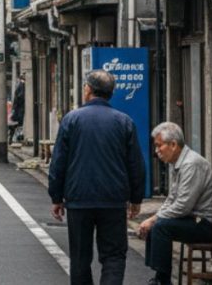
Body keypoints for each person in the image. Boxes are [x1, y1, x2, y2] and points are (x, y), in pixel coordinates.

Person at [48, 69, 145, 285]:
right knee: (113, 256)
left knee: (80, 258)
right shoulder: (124, 121)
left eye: (84, 86)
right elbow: (136, 164)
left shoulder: (72, 120)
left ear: (89, 90)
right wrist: (136, 199)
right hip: (113, 199)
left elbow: (58, 162)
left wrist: (56, 197)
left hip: (78, 199)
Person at [137, 122, 212, 285]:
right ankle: (159, 276)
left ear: (173, 144)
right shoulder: (176, 163)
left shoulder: (191, 164)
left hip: (205, 222)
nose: (156, 151)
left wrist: (153, 220)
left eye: (159, 146)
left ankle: (163, 280)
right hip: (192, 217)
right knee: (158, 224)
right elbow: (171, 199)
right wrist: (153, 218)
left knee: (161, 226)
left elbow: (183, 205)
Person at [9, 73, 26, 142]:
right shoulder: (22, 85)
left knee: (17, 124)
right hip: (20, 109)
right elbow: (20, 97)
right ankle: (15, 138)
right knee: (18, 124)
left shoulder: (20, 85)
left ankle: (12, 138)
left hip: (18, 109)